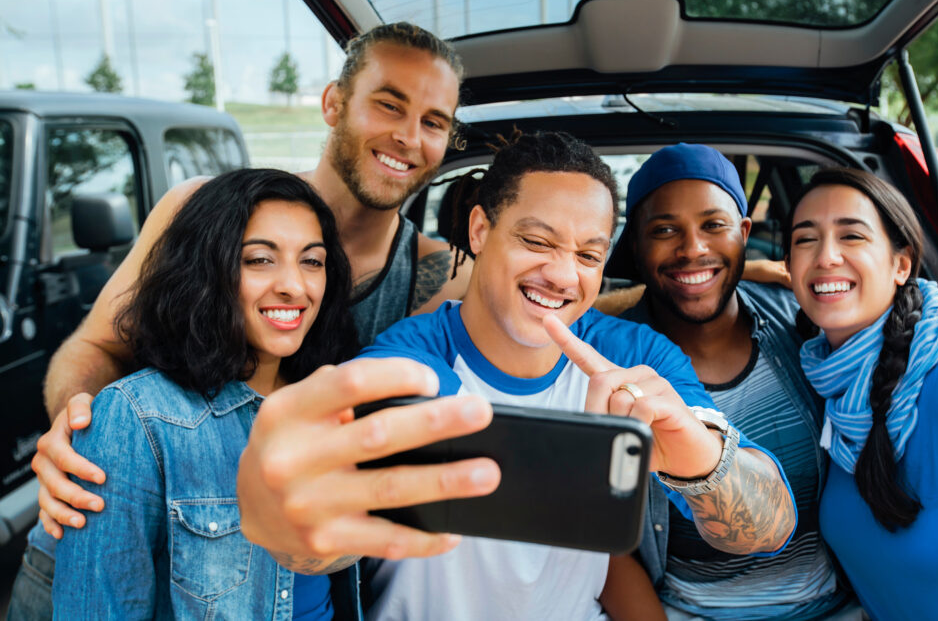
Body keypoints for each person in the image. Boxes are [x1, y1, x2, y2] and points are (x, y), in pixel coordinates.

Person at [10, 22, 493, 619]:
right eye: (388, 105)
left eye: (433, 121)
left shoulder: (442, 272)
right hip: (94, 543)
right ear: (333, 103)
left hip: (261, 581)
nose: (407, 136)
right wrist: (80, 444)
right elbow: (96, 344)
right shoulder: (196, 209)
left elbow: (559, 299)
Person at [241, 130, 798, 620]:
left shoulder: (636, 358)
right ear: (481, 230)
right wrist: (292, 530)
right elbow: (319, 538)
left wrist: (697, 456)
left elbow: (768, 529)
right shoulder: (413, 361)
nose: (561, 274)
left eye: (587, 254)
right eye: (536, 242)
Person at [51, 168, 364, 617]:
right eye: (259, 259)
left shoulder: (334, 401)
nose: (294, 286)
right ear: (207, 268)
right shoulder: (137, 418)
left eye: (311, 261)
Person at [601, 143, 853, 620]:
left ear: (743, 234)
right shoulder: (609, 365)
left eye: (714, 226)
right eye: (664, 230)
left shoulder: (803, 318)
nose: (693, 248)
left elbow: (897, 309)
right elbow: (601, 543)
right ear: (634, 245)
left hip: (841, 601)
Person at [784, 167, 938, 619]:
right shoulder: (832, 385)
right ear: (788, 268)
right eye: (805, 239)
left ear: (901, 264)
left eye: (851, 236)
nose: (826, 257)